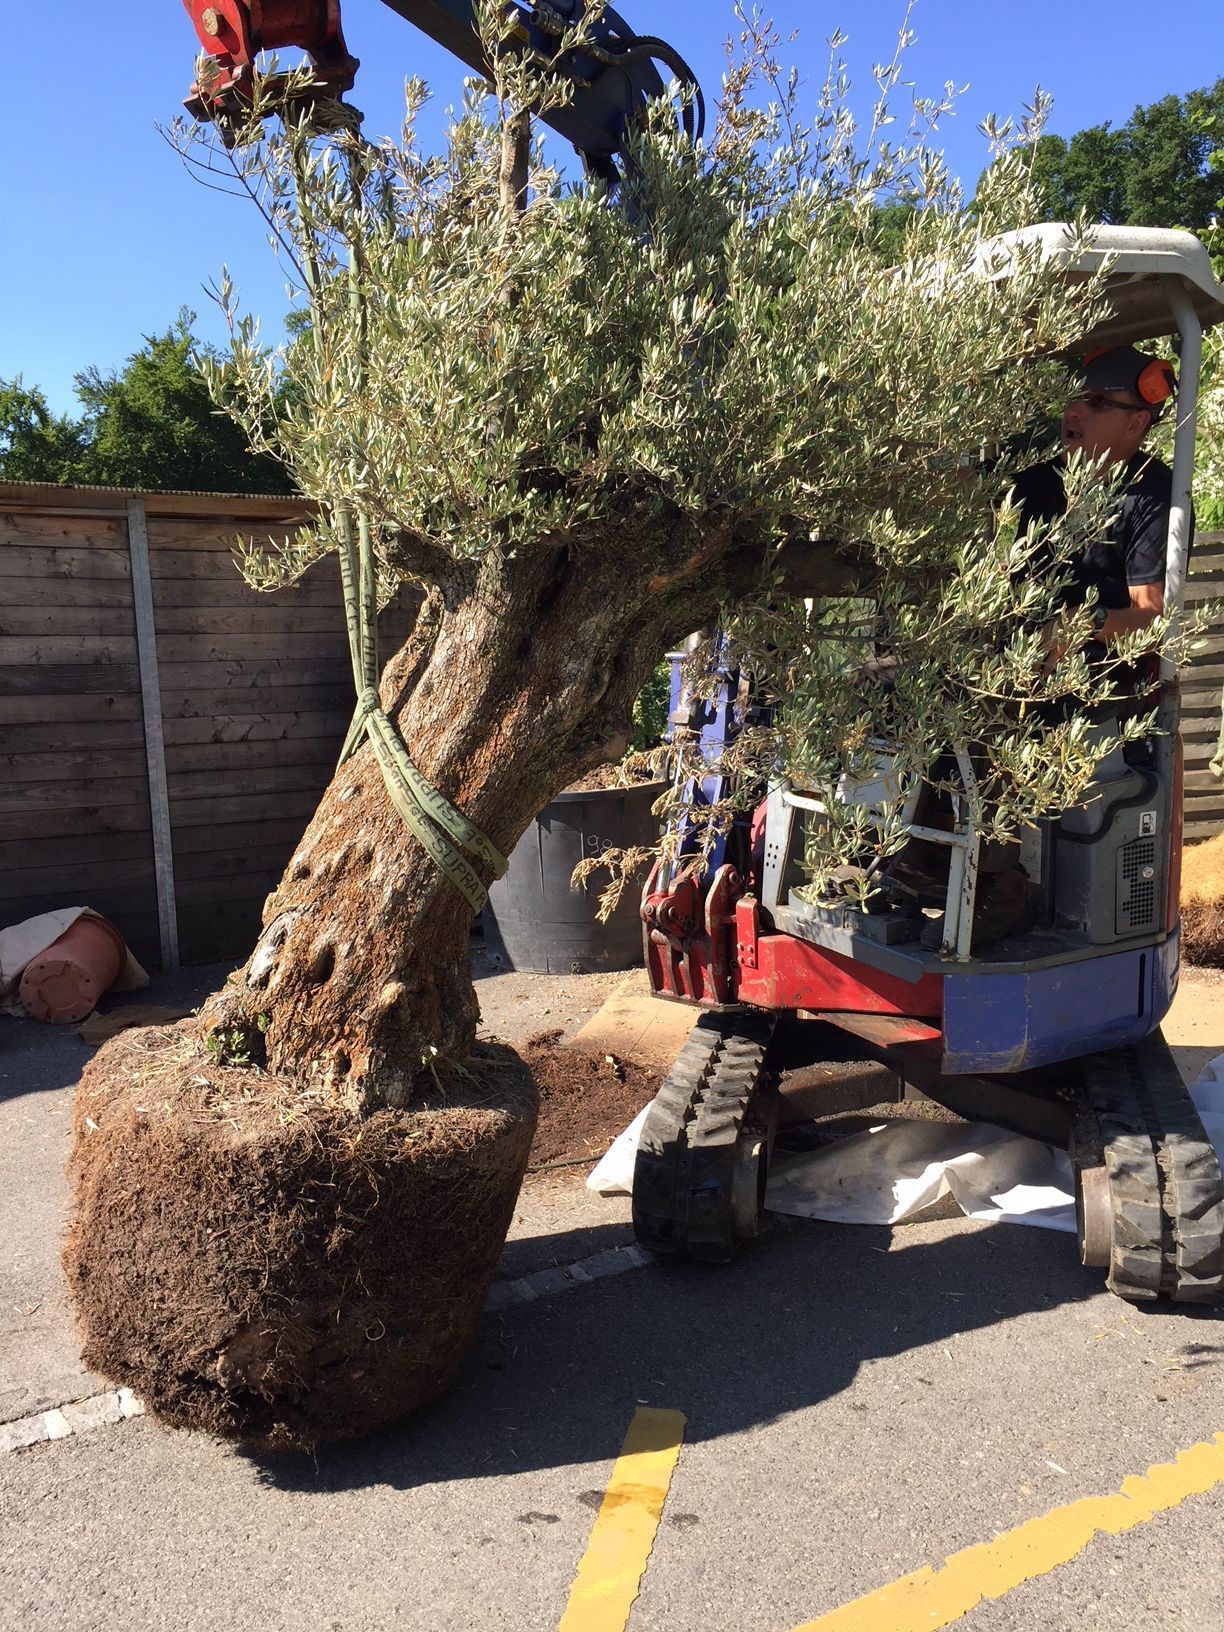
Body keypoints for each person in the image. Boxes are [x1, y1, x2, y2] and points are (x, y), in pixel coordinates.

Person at [1011, 343, 1181, 668]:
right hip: (1020, 663)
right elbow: (967, 486)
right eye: (1074, 395)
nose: (1074, 410)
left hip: (1103, 690)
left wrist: (1087, 621)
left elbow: (1152, 621)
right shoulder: (1043, 468)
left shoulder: (1154, 496)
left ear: (1136, 423)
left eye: (1096, 401)